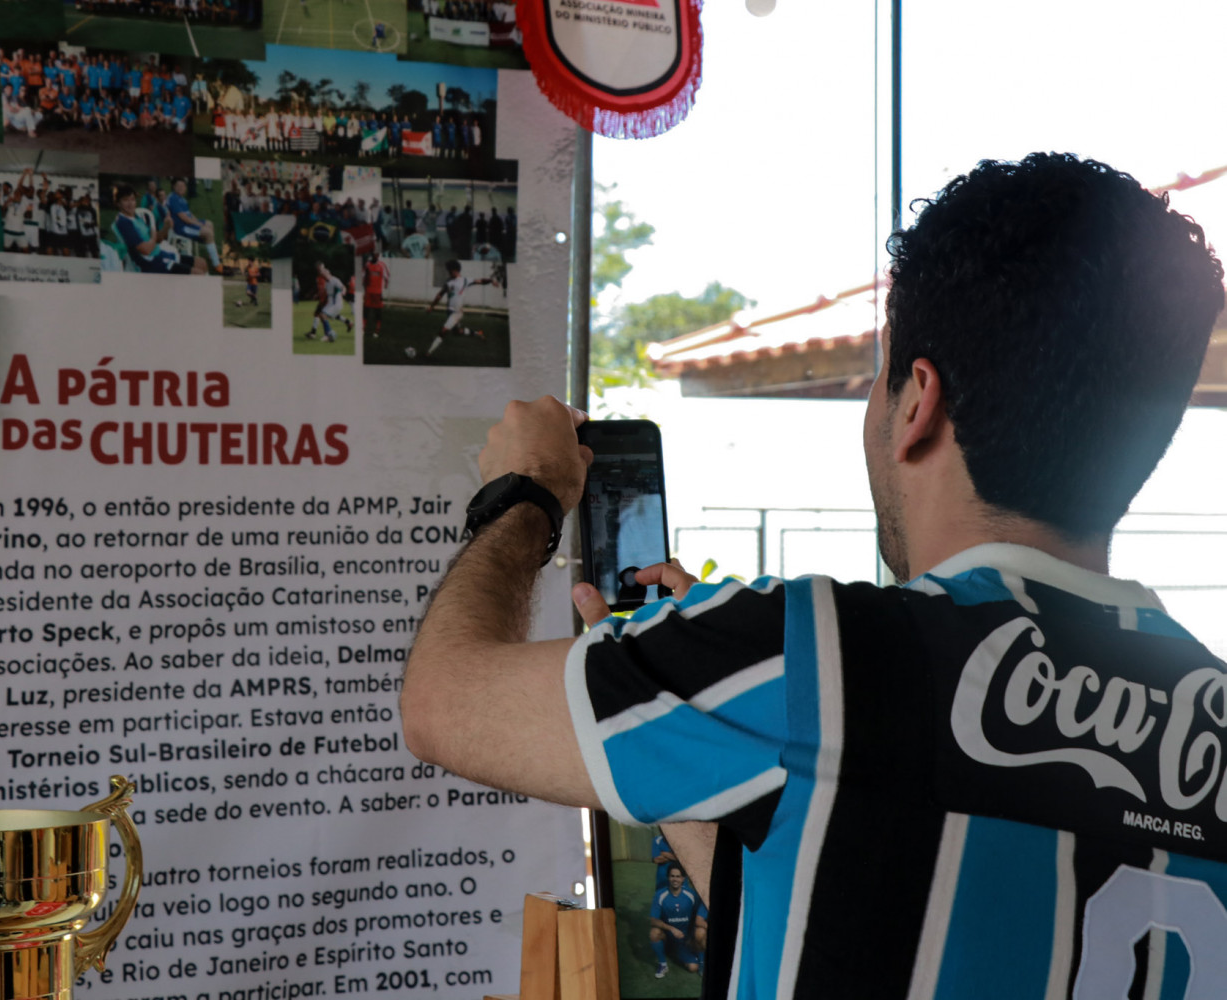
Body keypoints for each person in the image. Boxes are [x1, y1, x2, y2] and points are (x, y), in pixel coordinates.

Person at [399, 153, 1227, 996]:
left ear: (916, 404)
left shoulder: (813, 654)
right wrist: (707, 730)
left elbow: (440, 702)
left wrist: (525, 493)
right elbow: (833, 919)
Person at [423, 259, 491, 355]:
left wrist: (491, 280)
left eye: (449, 270)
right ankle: (478, 333)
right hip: (449, 312)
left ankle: (428, 352)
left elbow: (480, 281)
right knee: (458, 332)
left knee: (443, 331)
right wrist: (431, 307)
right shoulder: (448, 282)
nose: (448, 272)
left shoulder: (465, 280)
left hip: (457, 313)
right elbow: (440, 295)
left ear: (455, 270)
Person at [650, 864, 704, 978]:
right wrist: (671, 929)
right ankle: (662, 964)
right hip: (668, 935)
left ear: (683, 879)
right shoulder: (660, 894)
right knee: (654, 932)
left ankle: (699, 960)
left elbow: (698, 916)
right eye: (672, 876)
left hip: (685, 938)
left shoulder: (691, 895)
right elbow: (653, 920)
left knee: (693, 968)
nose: (675, 879)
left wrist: (692, 937)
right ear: (668, 877)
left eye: (678, 876)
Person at [164, 178, 222, 272]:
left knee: (209, 223)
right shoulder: (173, 198)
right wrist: (199, 225)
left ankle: (211, 254)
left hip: (187, 224)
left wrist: (198, 222)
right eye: (178, 186)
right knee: (208, 233)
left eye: (183, 186)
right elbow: (184, 218)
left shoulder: (181, 198)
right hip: (182, 227)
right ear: (174, 187)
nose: (181, 188)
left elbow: (189, 214)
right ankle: (217, 265)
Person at [362, 250, 390, 337]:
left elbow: (387, 277)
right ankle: (363, 329)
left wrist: (384, 290)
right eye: (374, 253)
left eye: (377, 254)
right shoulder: (367, 265)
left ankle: (377, 330)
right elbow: (363, 277)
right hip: (368, 292)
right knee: (366, 311)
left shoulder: (382, 265)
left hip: (377, 293)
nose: (375, 255)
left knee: (377, 312)